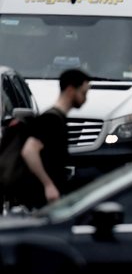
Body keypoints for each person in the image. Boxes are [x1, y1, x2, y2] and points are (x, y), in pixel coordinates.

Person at [15, 69, 90, 209]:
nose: (85, 99)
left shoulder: (58, 119)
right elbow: (29, 151)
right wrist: (48, 184)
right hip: (41, 199)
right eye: (83, 93)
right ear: (70, 90)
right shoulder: (51, 120)